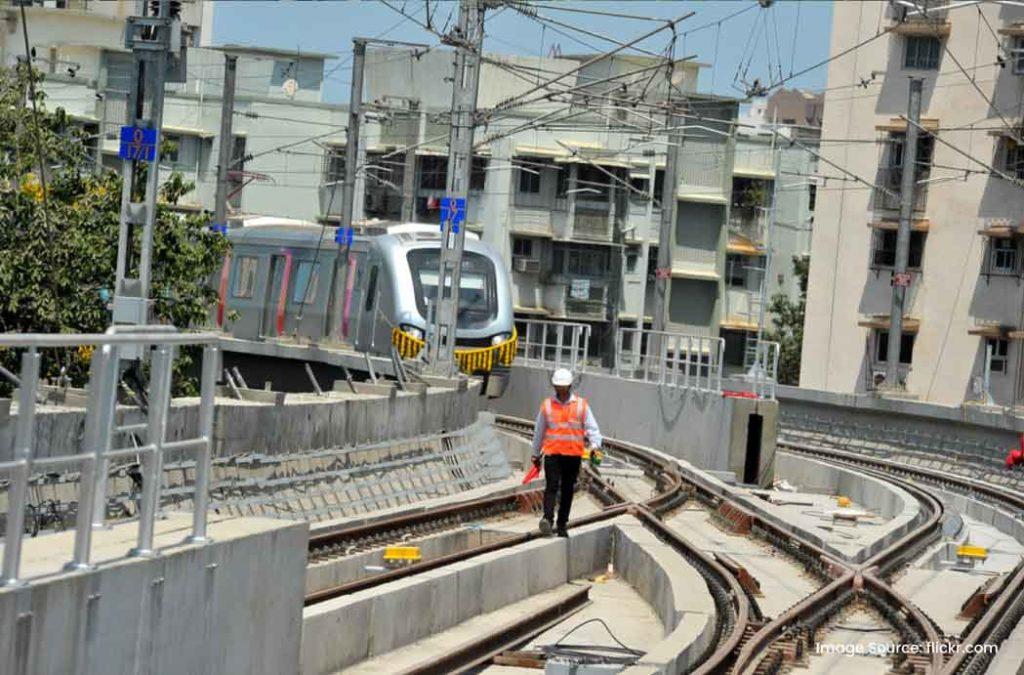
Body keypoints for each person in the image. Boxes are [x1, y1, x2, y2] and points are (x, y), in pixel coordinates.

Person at [531, 368, 602, 538]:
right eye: (558, 386)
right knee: (551, 486)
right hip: (552, 453)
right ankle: (547, 519)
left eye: (563, 386)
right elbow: (539, 431)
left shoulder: (580, 405)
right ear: (554, 386)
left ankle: (562, 524)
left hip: (572, 455)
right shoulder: (547, 405)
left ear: (569, 386)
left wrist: (595, 446)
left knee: (568, 490)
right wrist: (535, 453)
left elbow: (592, 428)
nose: (560, 389)